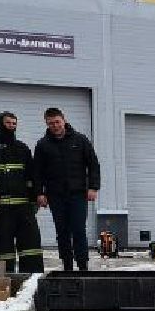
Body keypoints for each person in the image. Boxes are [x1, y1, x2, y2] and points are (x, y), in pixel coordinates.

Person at [32, 107, 100, 272]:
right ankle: (67, 266)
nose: (55, 126)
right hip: (56, 196)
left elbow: (93, 165)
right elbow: (37, 172)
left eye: (57, 122)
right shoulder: (42, 145)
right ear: (46, 124)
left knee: (78, 230)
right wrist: (39, 193)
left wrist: (93, 187)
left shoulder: (80, 140)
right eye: (51, 123)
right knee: (62, 232)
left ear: (64, 120)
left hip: (78, 194)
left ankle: (83, 266)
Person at [0, 112, 43, 274]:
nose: (11, 126)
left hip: (23, 207)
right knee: (4, 247)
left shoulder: (22, 148)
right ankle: (5, 280)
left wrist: (35, 197)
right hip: (1, 207)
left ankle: (33, 278)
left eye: (14, 123)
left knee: (31, 247)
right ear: (0, 124)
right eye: (8, 123)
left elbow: (31, 175)